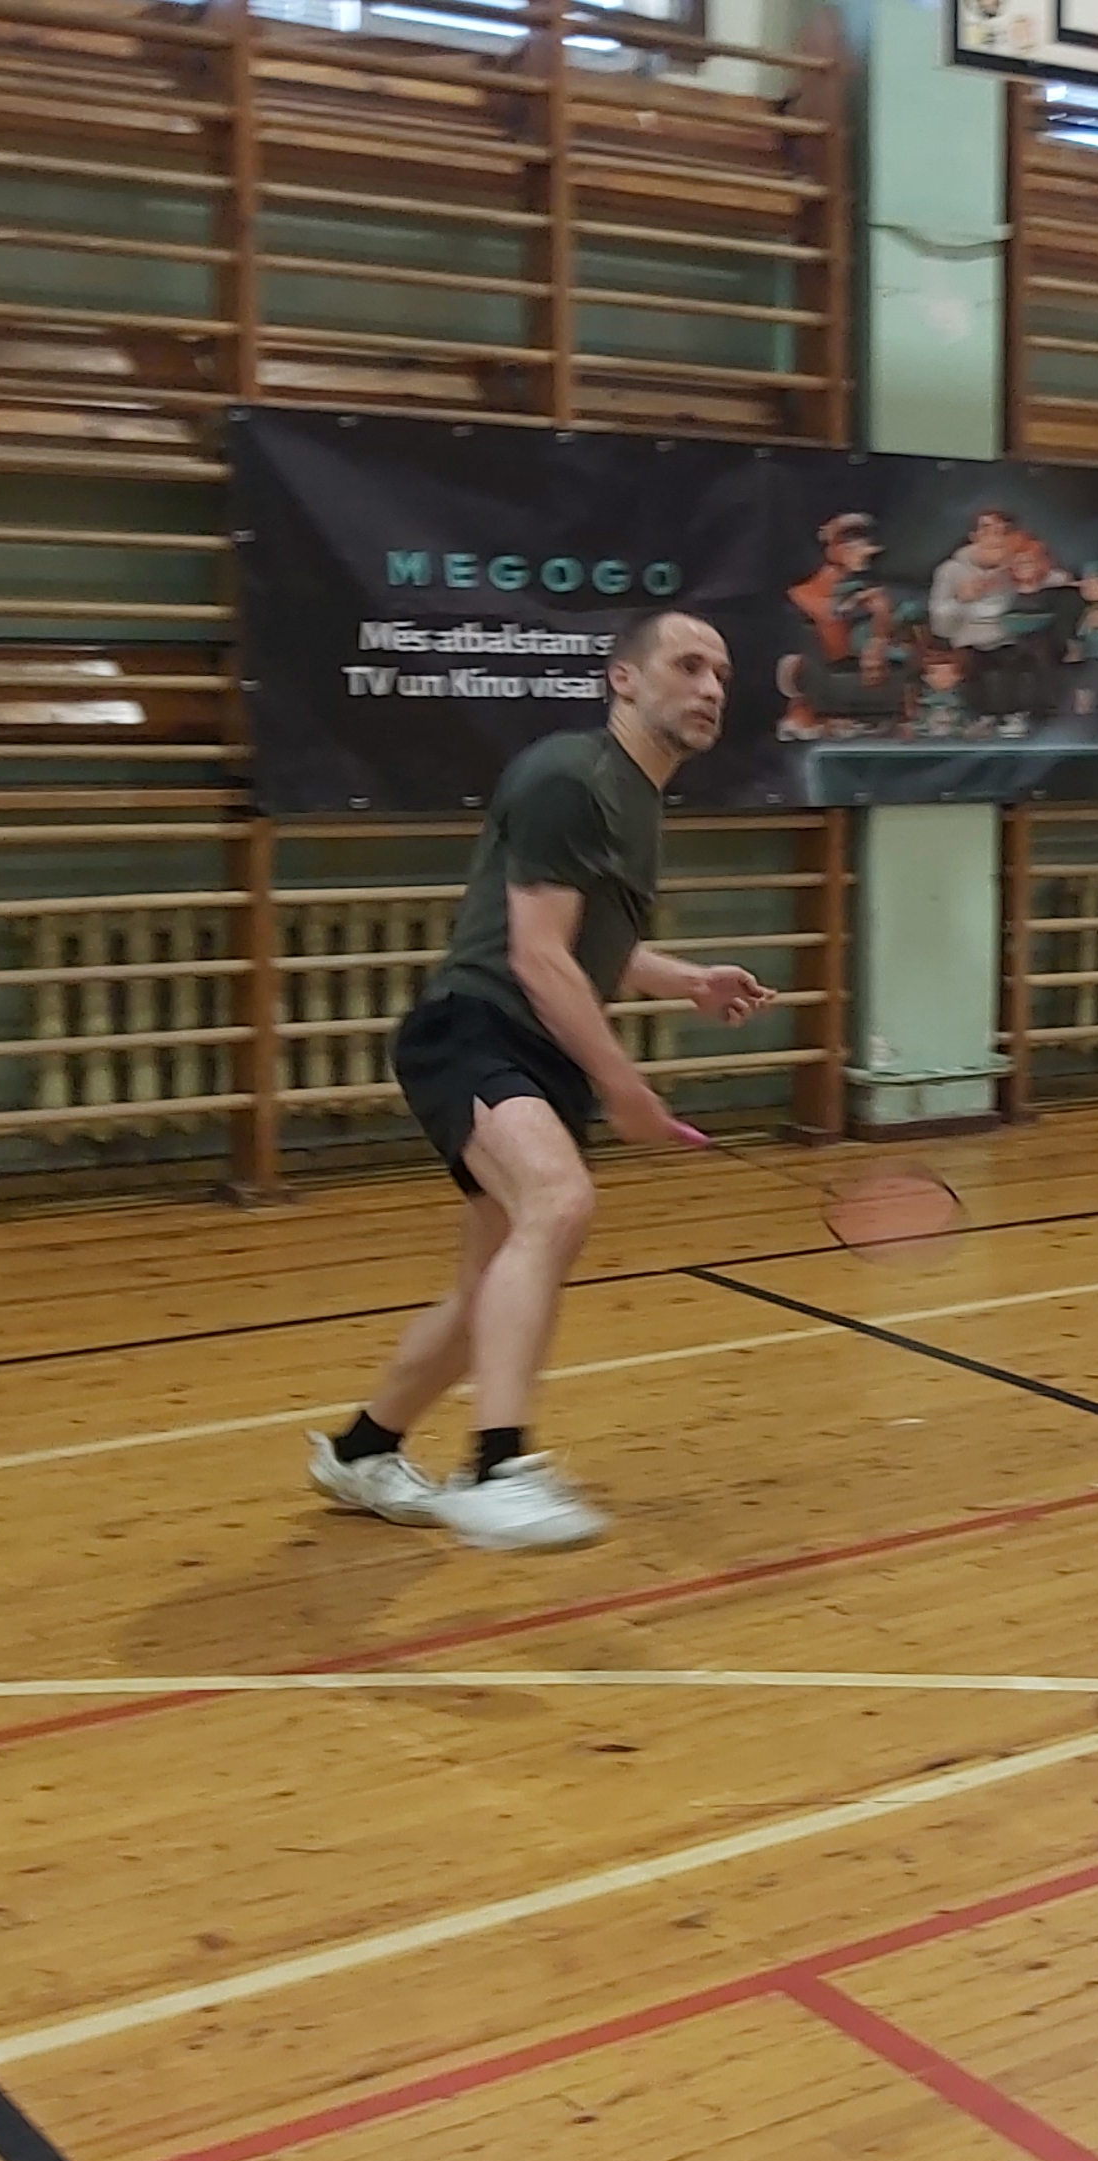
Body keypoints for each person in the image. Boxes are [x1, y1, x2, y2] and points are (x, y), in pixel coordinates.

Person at [306, 610, 774, 1552]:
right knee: (559, 1202)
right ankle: (497, 1467)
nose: (711, 688)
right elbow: (536, 956)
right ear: (623, 679)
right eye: (688, 666)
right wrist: (624, 1086)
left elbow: (589, 945)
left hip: (531, 1048)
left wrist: (687, 981)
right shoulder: (572, 777)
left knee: (488, 1290)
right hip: (475, 1029)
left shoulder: (634, 799)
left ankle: (363, 1451)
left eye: (721, 673)